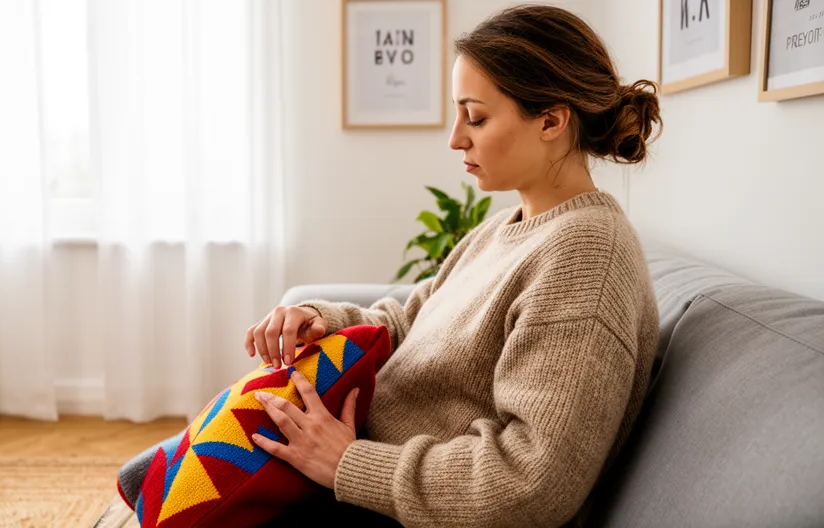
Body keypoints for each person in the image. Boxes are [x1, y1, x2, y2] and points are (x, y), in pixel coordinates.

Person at [244, 5, 662, 527]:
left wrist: (348, 464)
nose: (456, 138)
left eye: (477, 116)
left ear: (552, 121)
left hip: (382, 501)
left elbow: (531, 484)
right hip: (350, 473)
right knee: (166, 476)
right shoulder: (503, 228)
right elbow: (411, 322)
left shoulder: (587, 256)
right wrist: (323, 319)